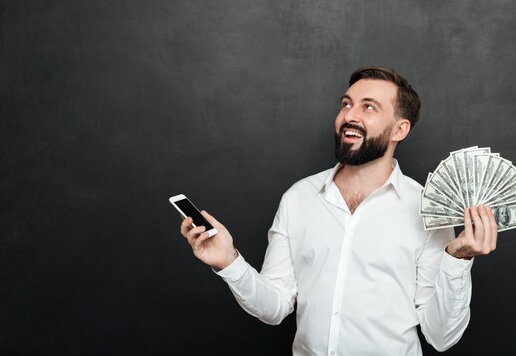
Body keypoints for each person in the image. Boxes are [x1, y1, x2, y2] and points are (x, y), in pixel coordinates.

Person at [180, 67, 498, 356]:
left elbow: (441, 337)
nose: (349, 115)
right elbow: (275, 306)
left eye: (368, 107)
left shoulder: (426, 209)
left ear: (399, 129)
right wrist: (228, 261)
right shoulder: (299, 198)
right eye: (346, 104)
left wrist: (458, 260)